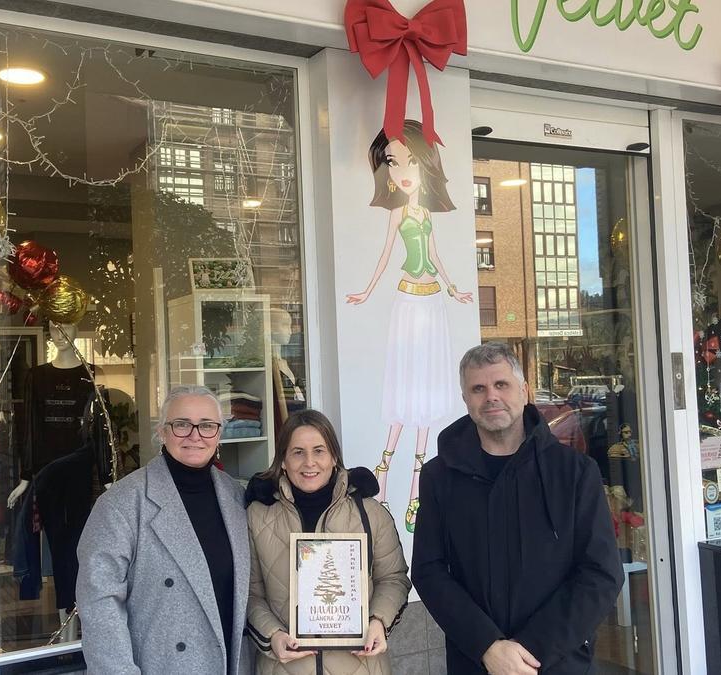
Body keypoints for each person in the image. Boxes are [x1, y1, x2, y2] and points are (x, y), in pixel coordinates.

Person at [412, 343, 623, 675]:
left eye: (501, 385)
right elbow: (429, 570)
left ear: (524, 391)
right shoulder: (440, 477)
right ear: (465, 399)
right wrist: (487, 646)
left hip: (559, 663)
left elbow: (601, 574)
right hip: (477, 663)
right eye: (478, 389)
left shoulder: (574, 473)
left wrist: (528, 652)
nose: (491, 396)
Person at [345, 119, 474, 532]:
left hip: (432, 299)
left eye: (411, 161)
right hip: (406, 298)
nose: (402, 170)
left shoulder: (427, 212)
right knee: (404, 382)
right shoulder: (398, 210)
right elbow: (386, 252)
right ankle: (383, 474)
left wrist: (454, 289)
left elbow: (433, 254)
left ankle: (416, 484)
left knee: (426, 387)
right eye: (393, 161)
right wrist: (366, 291)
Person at [77, 385, 251, 674]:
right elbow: (99, 607)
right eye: (182, 424)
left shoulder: (236, 496)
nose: (195, 436)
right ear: (162, 431)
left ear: (219, 434)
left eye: (207, 425)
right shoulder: (121, 504)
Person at [244, 410, 411, 674]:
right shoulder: (257, 516)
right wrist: (272, 635)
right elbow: (250, 593)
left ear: (334, 457)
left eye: (319, 451)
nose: (309, 462)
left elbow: (393, 578)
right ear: (283, 461)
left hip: (360, 666)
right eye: (298, 452)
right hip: (285, 667)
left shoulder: (371, 513)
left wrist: (378, 621)